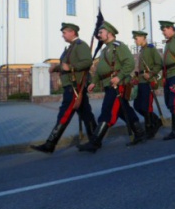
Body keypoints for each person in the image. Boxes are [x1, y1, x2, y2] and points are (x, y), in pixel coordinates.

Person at [78, 21, 146, 153]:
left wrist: (119, 77)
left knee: (107, 111)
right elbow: (100, 70)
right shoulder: (104, 49)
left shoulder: (118, 46)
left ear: (109, 33)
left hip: (117, 85)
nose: (98, 35)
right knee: (123, 110)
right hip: (109, 84)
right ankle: (140, 133)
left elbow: (129, 63)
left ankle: (95, 142)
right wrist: (94, 82)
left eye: (101, 32)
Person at [31, 23, 97, 154]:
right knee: (86, 114)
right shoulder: (69, 48)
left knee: (64, 114)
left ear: (72, 32)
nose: (62, 35)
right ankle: (95, 141)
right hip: (72, 86)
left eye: (64, 33)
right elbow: (65, 65)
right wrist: (56, 68)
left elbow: (87, 62)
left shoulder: (80, 45)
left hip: (74, 87)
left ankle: (50, 144)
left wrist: (71, 68)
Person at [132, 30, 163, 139]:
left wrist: (151, 73)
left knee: (146, 106)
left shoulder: (151, 49)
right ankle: (156, 121)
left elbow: (159, 63)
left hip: (147, 81)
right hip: (140, 81)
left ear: (143, 37)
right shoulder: (142, 50)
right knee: (137, 106)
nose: (135, 40)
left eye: (136, 38)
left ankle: (149, 129)